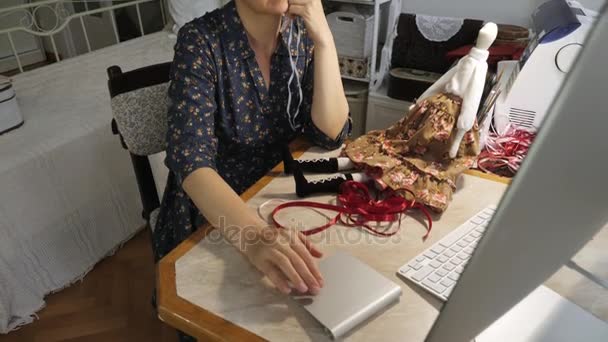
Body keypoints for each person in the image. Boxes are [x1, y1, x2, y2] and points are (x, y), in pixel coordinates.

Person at [154, 0, 350, 299]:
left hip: (276, 198)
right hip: (216, 215)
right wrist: (256, 236)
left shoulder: (300, 34)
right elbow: (191, 163)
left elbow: (330, 133)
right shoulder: (201, 40)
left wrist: (324, 40)